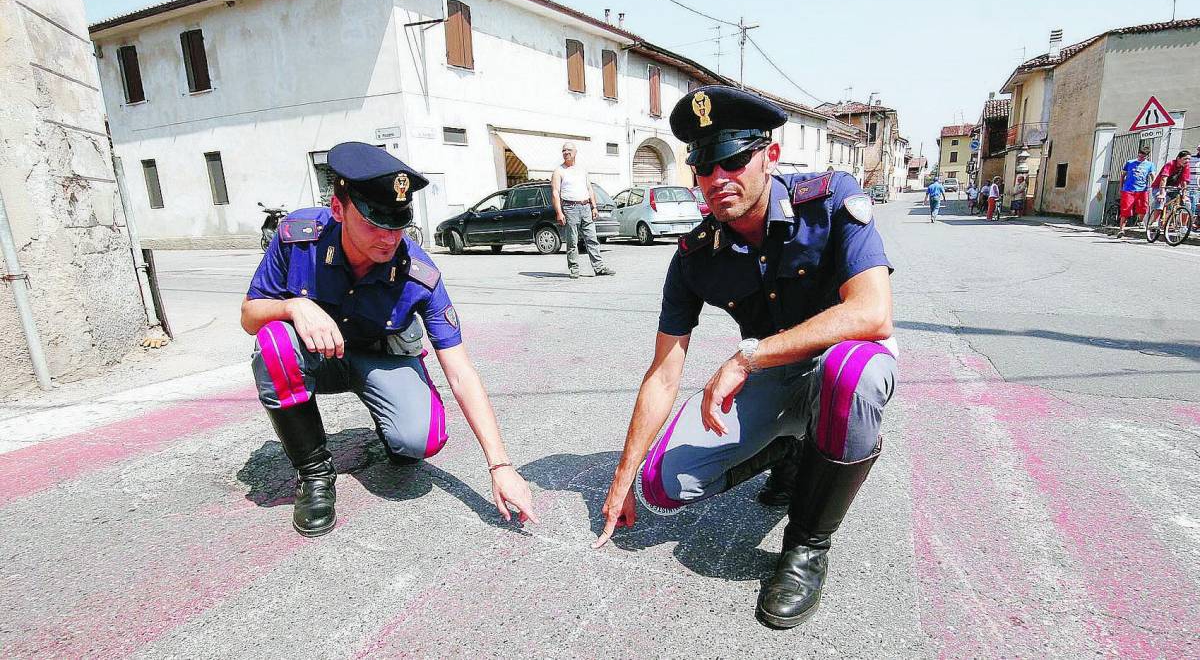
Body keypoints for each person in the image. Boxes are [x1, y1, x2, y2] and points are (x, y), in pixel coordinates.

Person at [592, 86, 897, 629]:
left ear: (770, 156)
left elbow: (873, 312)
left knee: (850, 372)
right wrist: (623, 475)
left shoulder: (829, 199)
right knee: (665, 483)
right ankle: (793, 450)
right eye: (704, 166)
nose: (717, 179)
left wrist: (746, 358)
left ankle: (806, 547)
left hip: (843, 362)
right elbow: (664, 373)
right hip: (777, 377)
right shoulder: (694, 256)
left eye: (733, 160)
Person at [240, 142, 539, 537]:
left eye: (397, 225)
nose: (388, 238)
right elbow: (249, 316)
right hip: (317, 359)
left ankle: (391, 425)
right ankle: (313, 474)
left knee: (421, 441)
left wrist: (500, 466)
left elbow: (461, 371)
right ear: (337, 209)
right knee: (275, 343)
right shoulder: (298, 239)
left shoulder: (419, 274)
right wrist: (293, 306)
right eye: (373, 224)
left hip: (380, 358)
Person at [551, 142, 615, 279]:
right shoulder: (559, 171)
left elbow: (589, 188)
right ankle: (574, 269)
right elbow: (555, 192)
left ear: (575, 152)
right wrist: (559, 212)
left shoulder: (582, 169)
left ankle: (599, 267)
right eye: (563, 150)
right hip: (570, 208)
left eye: (568, 150)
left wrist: (594, 207)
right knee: (572, 241)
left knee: (592, 239)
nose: (566, 152)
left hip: (586, 207)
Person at [1117, 147, 1156, 238]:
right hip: (1128, 190)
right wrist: (1121, 188)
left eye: (1143, 156)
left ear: (1147, 156)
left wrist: (1154, 186)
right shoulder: (1130, 163)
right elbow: (1123, 176)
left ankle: (1140, 221)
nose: (1141, 157)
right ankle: (1121, 229)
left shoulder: (1150, 165)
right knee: (1125, 209)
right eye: (1140, 155)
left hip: (1142, 190)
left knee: (1143, 208)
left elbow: (1153, 176)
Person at [1148, 150, 1191, 228]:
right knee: (1161, 199)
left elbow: (1184, 182)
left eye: (1189, 159)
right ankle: (1155, 221)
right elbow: (1163, 179)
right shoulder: (1170, 164)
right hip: (1159, 187)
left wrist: (1184, 196)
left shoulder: (1186, 167)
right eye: (1185, 159)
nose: (1187, 161)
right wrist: (1161, 193)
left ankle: (1183, 227)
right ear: (1178, 158)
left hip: (1173, 188)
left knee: (1186, 203)